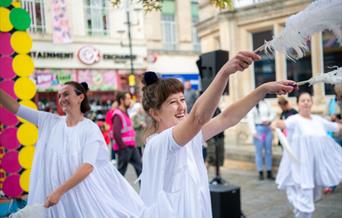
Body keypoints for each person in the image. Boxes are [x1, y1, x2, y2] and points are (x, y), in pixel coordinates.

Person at [139, 51, 297, 218]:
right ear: (155, 113)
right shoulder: (157, 144)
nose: (181, 107)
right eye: (173, 102)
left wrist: (263, 90)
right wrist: (224, 73)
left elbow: (227, 118)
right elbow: (198, 117)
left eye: (182, 100)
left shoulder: (189, 138)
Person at [0, 82, 144, 217]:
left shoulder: (90, 129)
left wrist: (59, 192)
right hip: (55, 198)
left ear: (80, 97)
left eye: (66, 94)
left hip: (81, 196)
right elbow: (16, 108)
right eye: (59, 96)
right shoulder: (50, 122)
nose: (62, 99)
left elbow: (87, 167)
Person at [273, 92, 342, 218]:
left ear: (312, 103)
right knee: (304, 200)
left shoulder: (318, 120)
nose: (305, 102)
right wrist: (275, 124)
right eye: (302, 100)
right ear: (298, 104)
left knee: (309, 199)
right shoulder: (295, 120)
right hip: (301, 168)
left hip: (315, 168)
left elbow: (336, 127)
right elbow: (282, 124)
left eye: (308, 100)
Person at [112, 92, 142, 177]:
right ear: (122, 100)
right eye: (128, 99)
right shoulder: (117, 114)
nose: (130, 101)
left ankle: (145, 189)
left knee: (140, 168)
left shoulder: (125, 113)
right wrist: (123, 148)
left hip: (131, 146)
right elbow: (116, 133)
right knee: (121, 173)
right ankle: (116, 189)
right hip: (124, 148)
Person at [247, 98, 276, 180]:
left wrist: (269, 119)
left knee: (268, 151)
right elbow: (250, 118)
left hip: (267, 129)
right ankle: (260, 172)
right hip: (259, 130)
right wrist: (253, 131)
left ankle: (269, 171)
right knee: (259, 151)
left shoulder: (266, 102)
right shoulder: (253, 103)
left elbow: (273, 113)